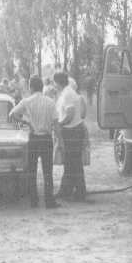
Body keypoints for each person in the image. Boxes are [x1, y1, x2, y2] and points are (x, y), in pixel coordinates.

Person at [9, 75, 61, 208]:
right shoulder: (50, 102)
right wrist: (59, 141)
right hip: (46, 138)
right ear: (42, 87)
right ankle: (49, 201)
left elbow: (12, 114)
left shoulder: (27, 101)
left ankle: (34, 200)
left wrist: (25, 122)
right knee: (47, 171)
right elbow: (56, 123)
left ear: (31, 87)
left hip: (33, 138)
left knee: (32, 170)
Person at [54, 71, 87, 201]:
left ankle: (77, 191)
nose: (54, 85)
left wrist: (59, 124)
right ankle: (70, 190)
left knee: (73, 162)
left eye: (54, 83)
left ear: (58, 82)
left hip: (72, 131)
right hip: (73, 130)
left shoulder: (67, 94)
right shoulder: (67, 92)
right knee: (71, 163)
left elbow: (70, 113)